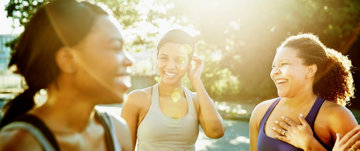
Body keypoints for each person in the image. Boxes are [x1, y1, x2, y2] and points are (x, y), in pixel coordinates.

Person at [0, 0, 133, 150]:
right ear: (68, 60)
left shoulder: (118, 132)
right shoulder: (20, 144)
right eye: (115, 47)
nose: (129, 61)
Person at [121, 29, 225, 151]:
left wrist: (196, 80)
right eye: (164, 58)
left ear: (188, 63)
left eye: (179, 60)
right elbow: (123, 148)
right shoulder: (137, 99)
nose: (171, 66)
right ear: (157, 59)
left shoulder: (196, 101)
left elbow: (216, 132)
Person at [249, 33, 357, 151]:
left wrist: (310, 145)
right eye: (273, 66)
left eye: (283, 64)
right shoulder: (260, 112)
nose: (274, 72)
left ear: (310, 71)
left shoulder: (337, 116)